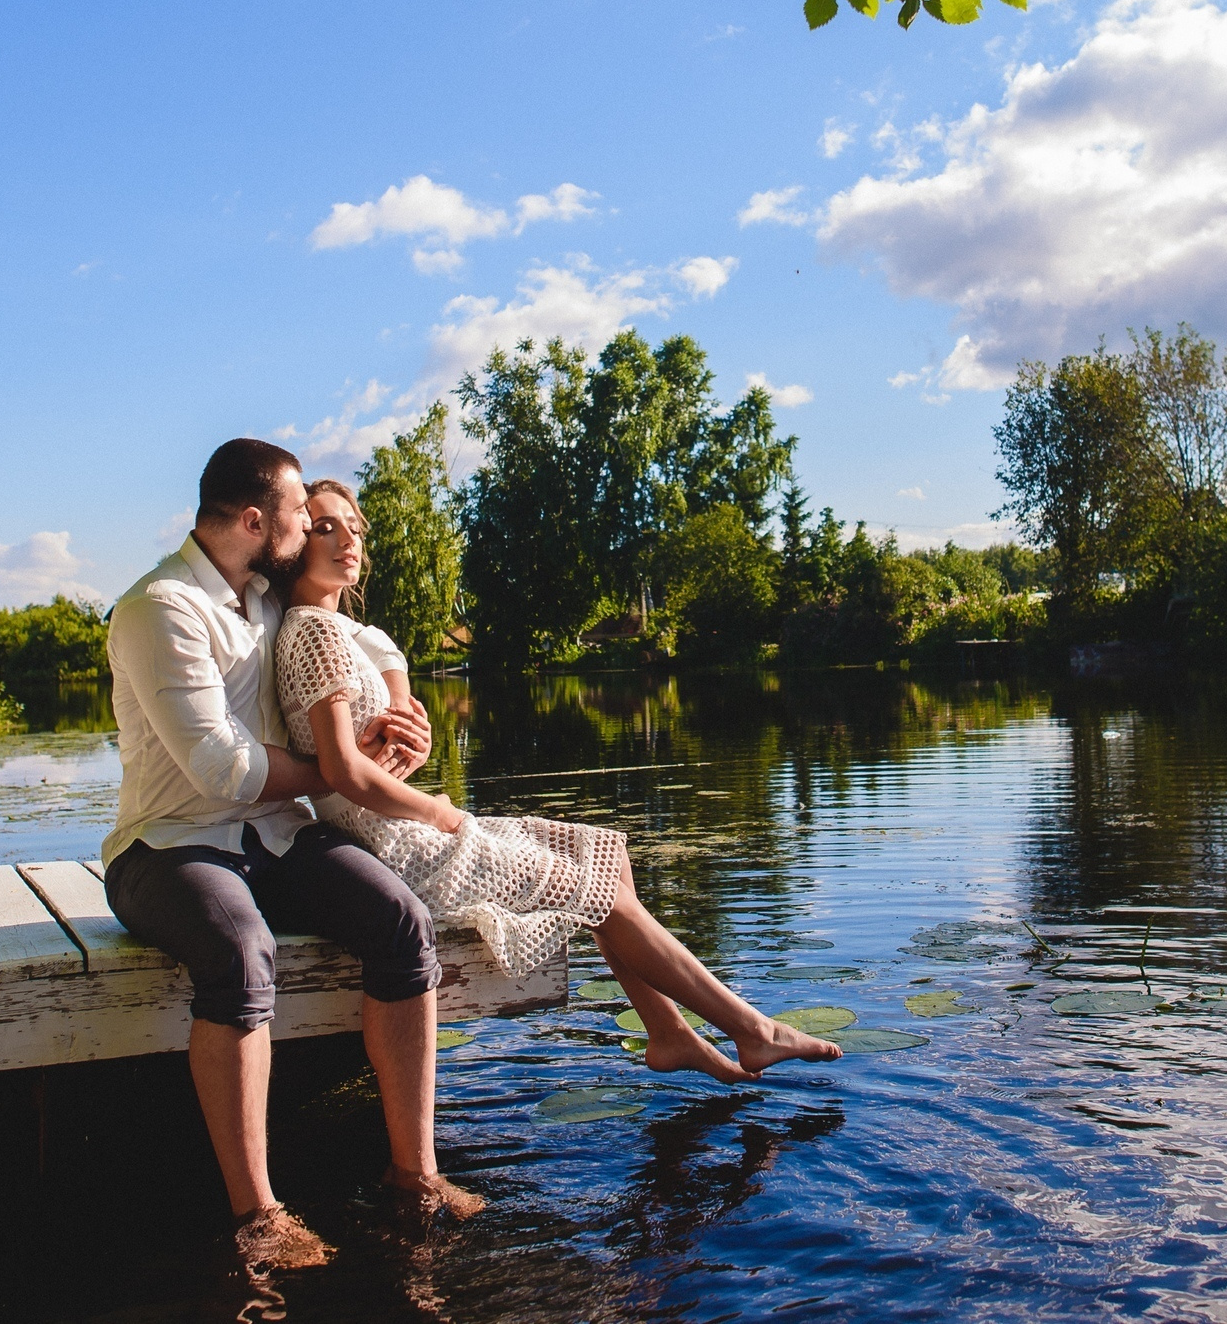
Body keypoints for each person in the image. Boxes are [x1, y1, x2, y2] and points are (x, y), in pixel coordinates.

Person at [273, 477, 845, 1085]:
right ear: (296, 543)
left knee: (607, 854)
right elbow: (339, 770)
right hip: (399, 845)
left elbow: (366, 755)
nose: (348, 541)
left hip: (405, 826)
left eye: (355, 528)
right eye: (326, 528)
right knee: (593, 889)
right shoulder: (312, 630)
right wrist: (438, 813)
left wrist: (408, 746)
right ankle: (753, 1030)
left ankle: (669, 1032)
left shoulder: (342, 636)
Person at [100, 438, 465, 1275]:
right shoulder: (159, 606)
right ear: (257, 520)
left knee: (402, 923)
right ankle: (257, 1214)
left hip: (274, 831)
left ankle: (416, 1173)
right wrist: (345, 769)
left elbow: (354, 634)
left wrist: (405, 716)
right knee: (241, 949)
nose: (311, 525)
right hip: (168, 844)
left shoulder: (263, 595)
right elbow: (220, 768)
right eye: (302, 512)